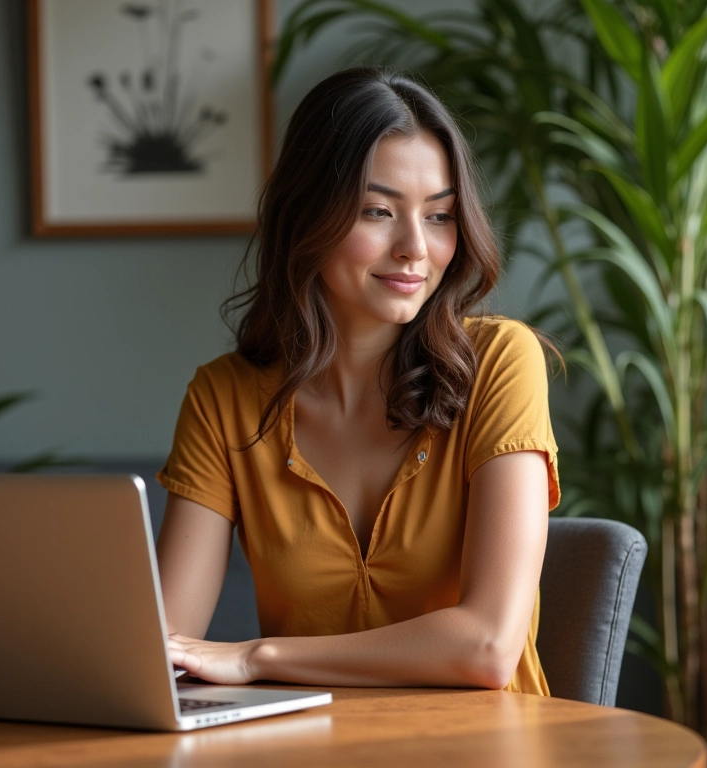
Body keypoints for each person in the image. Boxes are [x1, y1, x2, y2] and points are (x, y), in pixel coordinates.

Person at [156, 67, 560, 694]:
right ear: (307, 215)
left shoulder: (501, 362)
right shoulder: (225, 398)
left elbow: (486, 648)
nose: (414, 249)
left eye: (439, 216)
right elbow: (165, 647)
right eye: (377, 211)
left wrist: (257, 657)